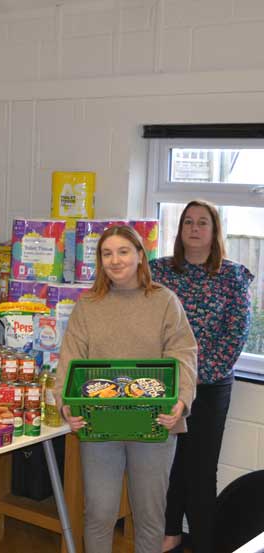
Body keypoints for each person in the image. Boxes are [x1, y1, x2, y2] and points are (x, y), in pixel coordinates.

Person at [53, 225, 198, 553]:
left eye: (123, 252)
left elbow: (184, 354)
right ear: (100, 261)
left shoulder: (164, 301)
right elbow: (70, 358)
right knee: (99, 513)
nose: (115, 260)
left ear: (139, 256)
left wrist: (181, 400)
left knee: (149, 514)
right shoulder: (88, 305)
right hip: (100, 424)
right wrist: (66, 405)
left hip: (155, 423)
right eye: (107, 254)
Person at [150, 200, 253, 553]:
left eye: (203, 222)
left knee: (201, 469)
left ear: (214, 231)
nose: (194, 228)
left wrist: (191, 380)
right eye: (188, 222)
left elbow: (235, 336)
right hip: (164, 384)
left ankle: (205, 544)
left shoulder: (233, 275)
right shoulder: (159, 271)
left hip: (209, 386)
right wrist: (171, 379)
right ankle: (170, 536)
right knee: (169, 464)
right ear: (180, 230)